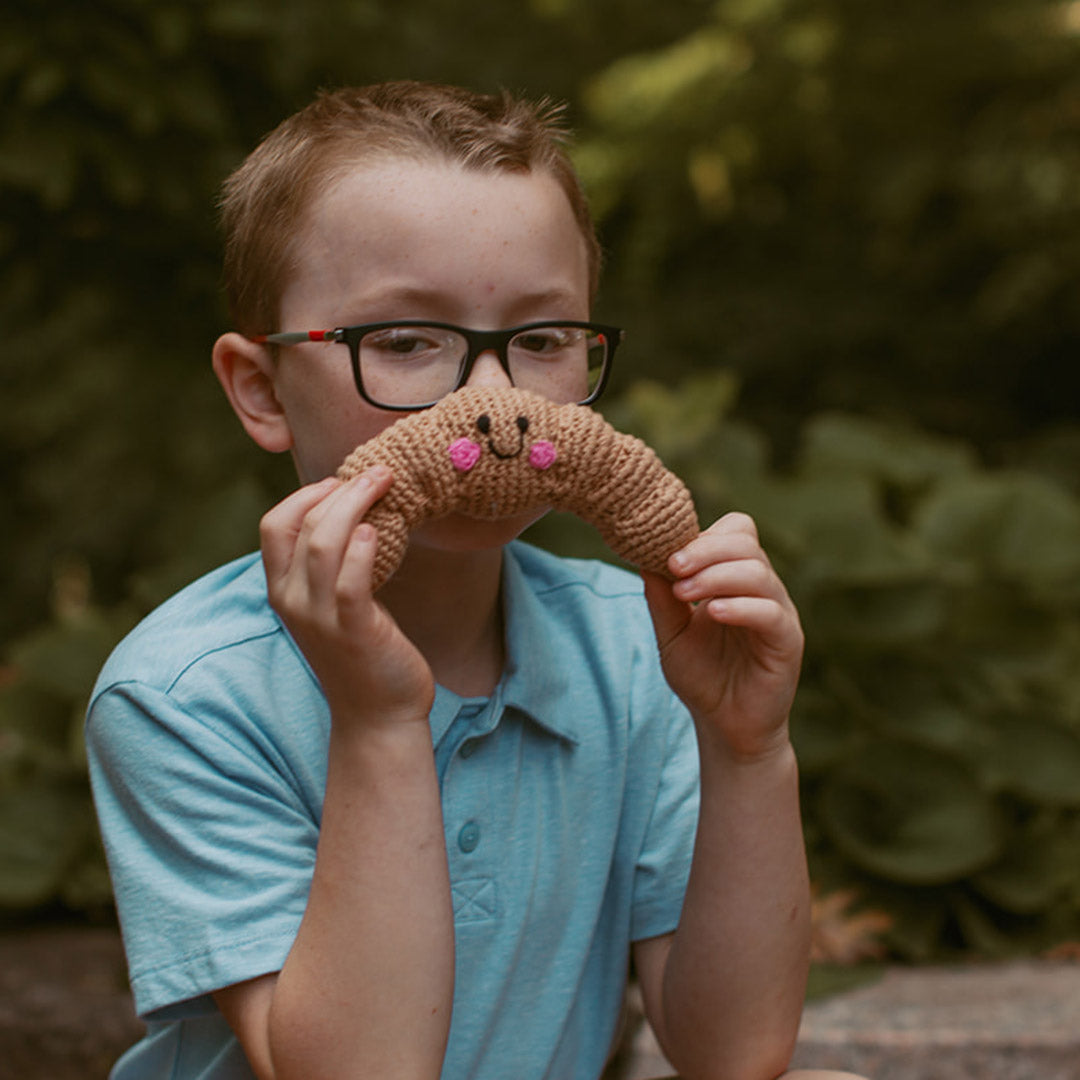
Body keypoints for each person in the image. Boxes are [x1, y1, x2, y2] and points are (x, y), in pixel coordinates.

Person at [86, 81, 867, 1080]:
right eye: (407, 342)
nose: (493, 404)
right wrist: (377, 723)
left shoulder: (637, 649)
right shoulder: (185, 693)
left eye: (542, 341)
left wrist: (748, 746)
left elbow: (735, 1055)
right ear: (261, 387)